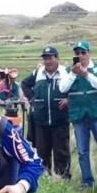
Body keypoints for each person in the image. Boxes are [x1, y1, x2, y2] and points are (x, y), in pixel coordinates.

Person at [59, 41, 97, 191]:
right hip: (79, 115)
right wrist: (74, 73)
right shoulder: (68, 71)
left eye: (83, 52)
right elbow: (62, 88)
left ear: (89, 53)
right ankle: (87, 182)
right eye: (77, 53)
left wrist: (86, 74)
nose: (80, 56)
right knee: (82, 151)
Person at [21, 46, 71, 178]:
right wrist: (32, 98)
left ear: (57, 58)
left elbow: (74, 88)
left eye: (50, 58)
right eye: (45, 58)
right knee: (42, 152)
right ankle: (44, 179)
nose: (48, 61)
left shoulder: (66, 73)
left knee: (61, 152)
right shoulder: (38, 73)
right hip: (41, 120)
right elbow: (25, 84)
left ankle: (63, 179)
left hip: (60, 119)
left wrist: (68, 99)